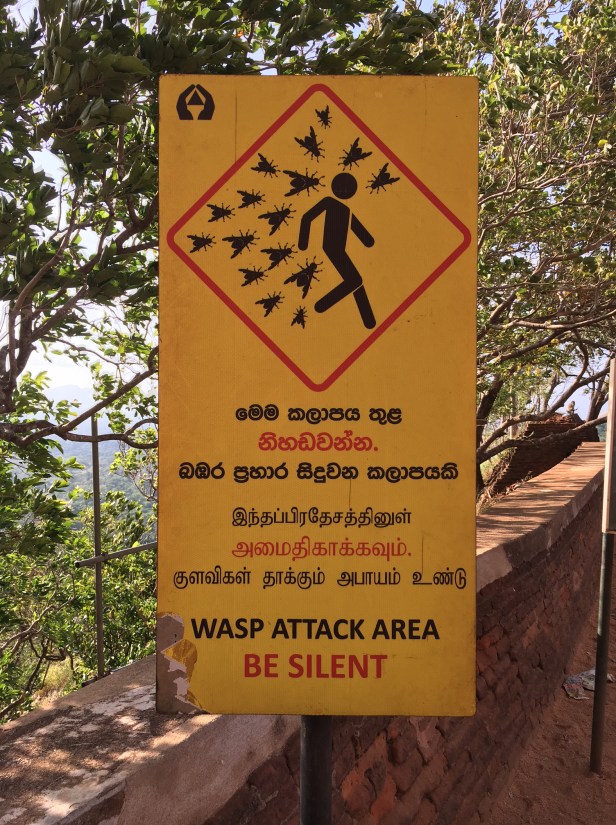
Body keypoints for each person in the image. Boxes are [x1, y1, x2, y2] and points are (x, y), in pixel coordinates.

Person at [297, 173, 376, 329]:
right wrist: (303, 243)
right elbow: (307, 217)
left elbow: (360, 232)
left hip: (339, 250)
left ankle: (368, 320)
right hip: (332, 249)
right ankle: (321, 305)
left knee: (356, 281)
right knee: (355, 280)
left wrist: (368, 240)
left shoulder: (346, 210)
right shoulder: (329, 202)